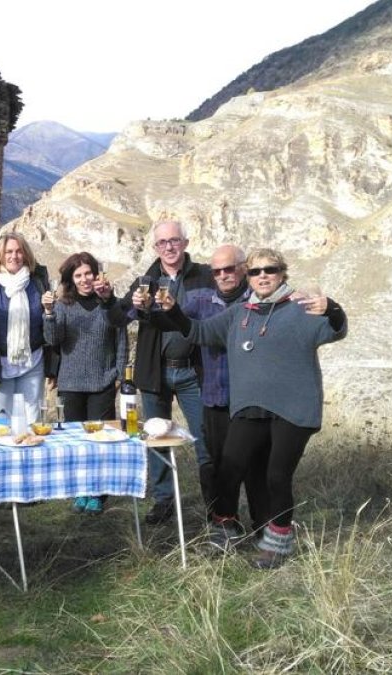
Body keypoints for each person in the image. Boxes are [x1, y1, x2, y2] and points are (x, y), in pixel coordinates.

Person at [146, 248, 347, 568]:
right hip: (249, 408)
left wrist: (332, 308)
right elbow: (199, 332)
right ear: (248, 276)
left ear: (282, 273)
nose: (263, 276)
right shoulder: (239, 313)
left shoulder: (301, 308)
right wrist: (173, 311)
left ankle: (277, 544)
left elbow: (336, 330)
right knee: (226, 469)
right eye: (255, 272)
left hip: (292, 410)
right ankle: (225, 529)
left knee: (276, 476)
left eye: (270, 270)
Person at [124, 220, 214, 525]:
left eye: (174, 240)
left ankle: (215, 502)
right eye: (162, 243)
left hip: (194, 372)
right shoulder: (145, 279)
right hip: (155, 373)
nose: (169, 247)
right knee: (155, 437)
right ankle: (163, 500)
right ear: (155, 247)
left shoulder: (204, 275)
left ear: (185, 243)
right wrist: (131, 305)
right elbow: (116, 316)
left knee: (206, 438)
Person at [176, 245, 266, 527]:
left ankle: (263, 526)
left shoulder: (262, 302)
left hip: (252, 401)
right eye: (217, 271)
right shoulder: (200, 301)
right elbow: (172, 317)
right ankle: (225, 524)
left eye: (229, 269)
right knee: (219, 465)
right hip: (215, 398)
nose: (224, 275)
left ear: (243, 268)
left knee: (256, 467)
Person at [43, 251, 131, 515]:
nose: (84, 279)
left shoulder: (108, 303)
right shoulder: (62, 305)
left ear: (97, 274)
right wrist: (48, 313)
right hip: (71, 383)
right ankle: (80, 488)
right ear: (71, 279)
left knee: (101, 440)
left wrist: (119, 375)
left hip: (102, 381)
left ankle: (98, 492)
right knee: (76, 441)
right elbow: (53, 339)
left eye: (88, 274)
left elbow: (121, 341)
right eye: (78, 275)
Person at [0, 232, 57, 423]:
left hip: (32, 362)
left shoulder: (37, 282)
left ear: (26, 254)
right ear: (0, 254)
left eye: (18, 251)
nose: (14, 256)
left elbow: (46, 326)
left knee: (32, 422)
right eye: (8, 252)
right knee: (1, 423)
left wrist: (49, 309)